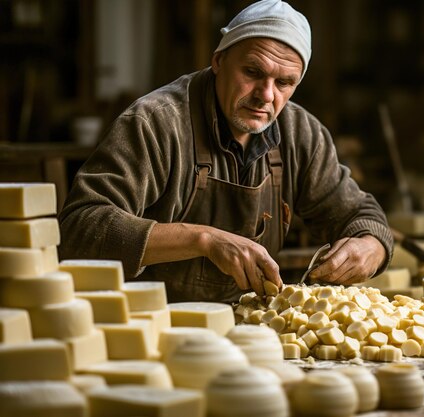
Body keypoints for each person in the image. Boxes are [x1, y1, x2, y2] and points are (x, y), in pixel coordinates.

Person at [59, 0, 393, 303]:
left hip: (250, 327)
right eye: (252, 72)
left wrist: (371, 247)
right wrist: (202, 239)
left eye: (284, 83)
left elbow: (361, 215)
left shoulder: (299, 133)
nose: (266, 95)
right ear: (219, 60)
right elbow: (81, 229)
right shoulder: (156, 123)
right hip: (153, 325)